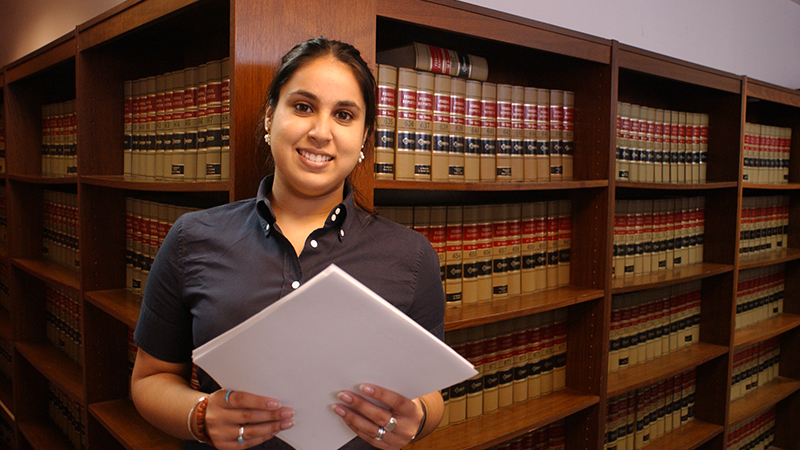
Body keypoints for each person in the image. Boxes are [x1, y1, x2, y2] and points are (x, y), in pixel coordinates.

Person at [131, 37, 446, 450]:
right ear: (269, 117)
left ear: (365, 138)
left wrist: (417, 418)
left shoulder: (412, 257)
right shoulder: (192, 239)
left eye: (344, 115)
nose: (320, 132)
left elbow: (432, 395)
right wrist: (202, 416)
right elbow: (150, 379)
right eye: (302, 107)